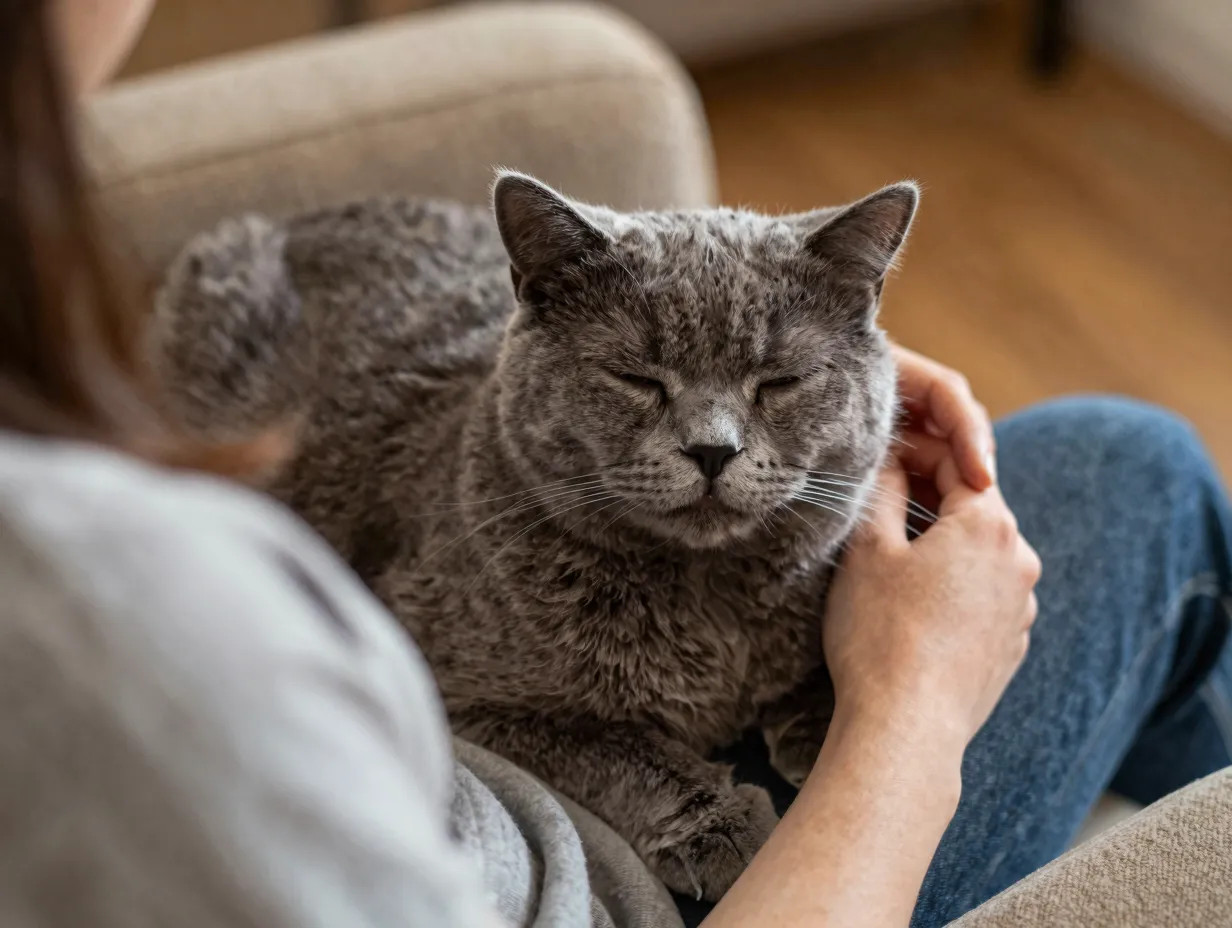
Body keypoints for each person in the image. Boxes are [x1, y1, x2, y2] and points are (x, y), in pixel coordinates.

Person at [1, 1, 1228, 926]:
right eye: (643, 390)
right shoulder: (112, 635)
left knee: (1112, 464)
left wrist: (790, 380)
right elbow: (452, 694)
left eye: (769, 391)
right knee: (1140, 473)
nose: (711, 443)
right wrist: (912, 707)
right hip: (639, 871)